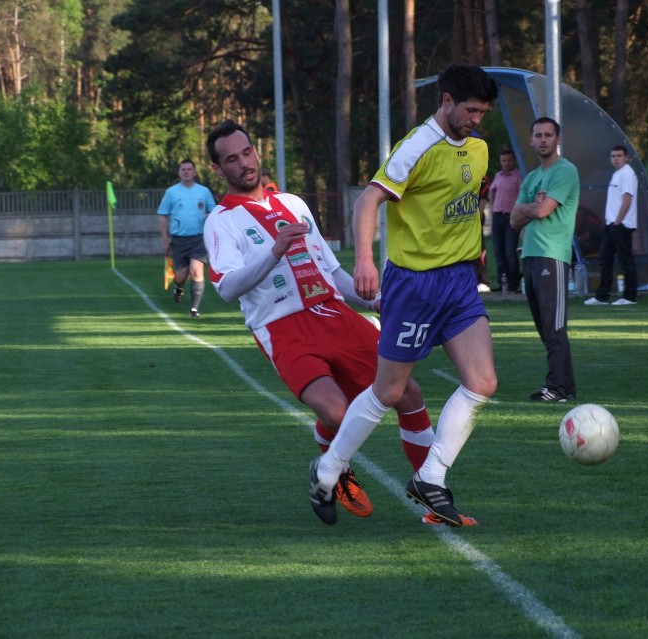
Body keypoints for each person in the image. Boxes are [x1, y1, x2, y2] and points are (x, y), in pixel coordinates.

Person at [203, 119, 448, 525]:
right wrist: (272, 254)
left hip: (335, 313)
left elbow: (332, 274)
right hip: (283, 328)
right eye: (231, 159)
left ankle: (432, 495)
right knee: (338, 412)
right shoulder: (221, 221)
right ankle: (332, 469)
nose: (244, 163)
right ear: (218, 169)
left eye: (247, 152)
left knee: (408, 393)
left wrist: (382, 302)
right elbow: (227, 288)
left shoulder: (294, 204)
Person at [308, 63, 499, 527]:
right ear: (447, 100)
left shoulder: (480, 149)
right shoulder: (416, 147)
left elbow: (466, 204)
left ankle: (430, 477)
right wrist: (366, 261)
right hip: (413, 286)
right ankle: (327, 470)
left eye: (483, 112)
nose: (476, 119)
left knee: (483, 382)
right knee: (389, 391)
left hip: (457, 283)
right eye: (471, 110)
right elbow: (367, 199)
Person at [510, 117, 579, 402]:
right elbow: (514, 219)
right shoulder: (531, 177)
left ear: (558, 139)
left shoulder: (565, 171)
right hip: (531, 255)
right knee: (544, 328)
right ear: (531, 140)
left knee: (554, 327)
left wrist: (533, 207)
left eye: (548, 135)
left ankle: (556, 388)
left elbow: (540, 213)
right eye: (538, 135)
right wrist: (534, 206)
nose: (543, 140)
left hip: (553, 256)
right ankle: (566, 387)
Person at [157, 159, 217, 318]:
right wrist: (164, 240)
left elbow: (213, 212)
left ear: (194, 172)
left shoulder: (204, 192)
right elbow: (162, 215)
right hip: (179, 239)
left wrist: (209, 222)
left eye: (189, 169)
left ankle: (194, 309)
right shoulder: (171, 192)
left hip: (199, 239)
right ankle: (178, 287)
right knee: (182, 274)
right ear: (179, 173)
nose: (186, 172)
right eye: (183, 169)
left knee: (196, 270)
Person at [584, 145, 638, 306]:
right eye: (613, 156)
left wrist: (617, 221)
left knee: (625, 261)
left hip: (621, 224)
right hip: (611, 224)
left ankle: (629, 296)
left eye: (619, 156)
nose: (616, 158)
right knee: (605, 259)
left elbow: (627, 201)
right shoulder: (617, 174)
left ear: (626, 157)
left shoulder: (627, 174)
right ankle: (602, 296)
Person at [488, 149, 524, 293]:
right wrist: (492, 207)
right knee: (498, 251)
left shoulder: (518, 176)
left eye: (509, 160)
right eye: (503, 160)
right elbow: (492, 190)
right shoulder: (498, 175)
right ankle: (501, 281)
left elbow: (522, 195)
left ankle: (513, 282)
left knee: (510, 251)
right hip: (497, 216)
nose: (506, 163)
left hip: (511, 217)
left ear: (513, 161)